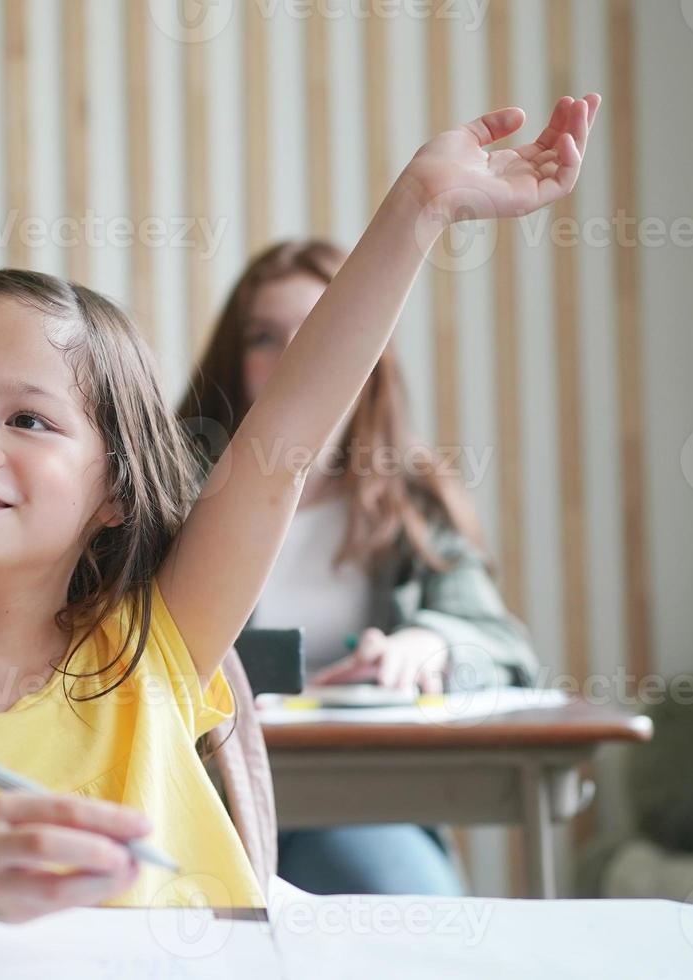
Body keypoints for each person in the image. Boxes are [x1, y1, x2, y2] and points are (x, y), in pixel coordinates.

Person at [0, 95, 599, 922]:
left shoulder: (157, 647)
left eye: (27, 419)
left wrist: (418, 210)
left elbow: (287, 428)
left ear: (114, 495)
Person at [179, 237, 542, 896]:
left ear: (368, 354)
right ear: (234, 362)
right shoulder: (174, 490)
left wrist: (430, 642)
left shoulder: (412, 500)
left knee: (413, 914)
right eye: (265, 337)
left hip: (358, 805)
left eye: (322, 328)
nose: (296, 355)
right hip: (200, 796)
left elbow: (506, 646)